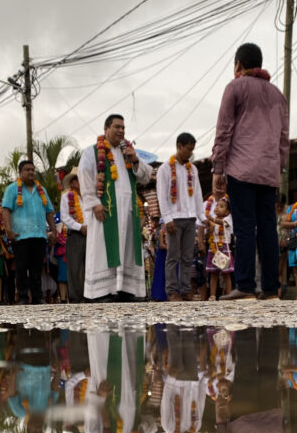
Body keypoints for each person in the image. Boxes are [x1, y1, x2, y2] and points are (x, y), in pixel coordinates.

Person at [211, 43, 289, 300]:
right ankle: (270, 289)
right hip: (269, 171)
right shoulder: (279, 95)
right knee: (267, 228)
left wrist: (218, 167)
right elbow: (284, 139)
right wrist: (280, 168)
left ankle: (244, 286)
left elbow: (224, 130)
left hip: (241, 168)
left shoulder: (235, 87)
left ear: (238, 65)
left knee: (245, 227)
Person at [77, 113, 152, 301]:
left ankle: (126, 289)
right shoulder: (92, 152)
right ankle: (103, 291)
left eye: (123, 128)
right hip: (106, 210)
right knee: (103, 250)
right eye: (117, 127)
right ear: (106, 129)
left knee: (127, 250)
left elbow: (145, 177)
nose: (121, 131)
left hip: (128, 212)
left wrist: (134, 159)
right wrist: (94, 204)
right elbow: (84, 177)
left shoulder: (128, 152)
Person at [156, 132, 206, 301]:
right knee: (172, 256)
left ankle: (185, 290)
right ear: (179, 146)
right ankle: (171, 292)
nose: (190, 153)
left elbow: (198, 194)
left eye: (193, 150)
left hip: (191, 218)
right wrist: (168, 218)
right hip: (174, 219)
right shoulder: (164, 169)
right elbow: (161, 195)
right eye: (188, 149)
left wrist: (202, 217)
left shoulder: (193, 169)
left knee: (187, 257)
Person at [2, 158, 57, 305]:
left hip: (39, 235)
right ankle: (23, 297)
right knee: (21, 268)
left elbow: (49, 211)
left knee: (36, 269)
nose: (31, 172)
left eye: (33, 169)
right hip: (20, 236)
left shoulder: (42, 190)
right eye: (27, 169)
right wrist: (8, 230)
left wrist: (54, 231)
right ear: (20, 173)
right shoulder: (12, 189)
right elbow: (6, 210)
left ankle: (37, 297)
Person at [59, 166, 87, 302]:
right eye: (75, 179)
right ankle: (76, 298)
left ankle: (90, 296)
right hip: (76, 235)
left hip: (91, 235)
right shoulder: (66, 197)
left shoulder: (89, 196)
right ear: (71, 183)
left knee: (90, 267)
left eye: (80, 179)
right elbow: (65, 217)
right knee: (75, 269)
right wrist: (80, 227)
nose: (78, 182)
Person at [205, 195, 234, 300]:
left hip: (224, 248)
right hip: (214, 248)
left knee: (226, 274)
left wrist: (211, 219)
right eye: (216, 205)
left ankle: (229, 294)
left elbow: (222, 223)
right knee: (213, 273)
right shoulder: (214, 221)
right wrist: (209, 227)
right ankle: (212, 295)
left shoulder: (228, 219)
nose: (217, 208)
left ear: (227, 212)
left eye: (221, 206)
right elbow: (208, 235)